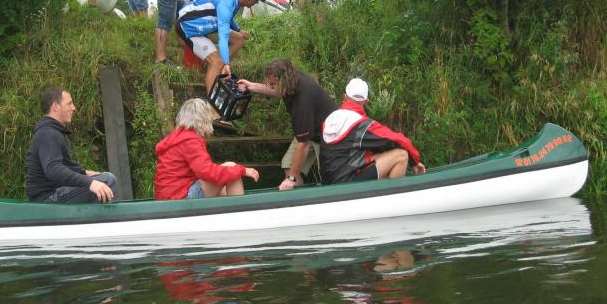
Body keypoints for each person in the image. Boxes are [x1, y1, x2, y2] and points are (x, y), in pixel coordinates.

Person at [237, 58, 336, 191]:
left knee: (328, 177)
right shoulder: (291, 78)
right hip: (310, 130)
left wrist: (291, 179)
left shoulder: (302, 102)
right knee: (289, 166)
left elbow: (303, 144)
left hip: (328, 135)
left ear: (283, 81)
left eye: (273, 84)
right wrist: (251, 86)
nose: (270, 86)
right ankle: (299, 200)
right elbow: (276, 90)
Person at [321, 78, 426, 184]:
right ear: (366, 101)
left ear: (344, 96)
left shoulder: (330, 119)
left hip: (329, 183)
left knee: (381, 154)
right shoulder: (361, 125)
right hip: (347, 185)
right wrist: (415, 162)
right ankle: (391, 194)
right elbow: (398, 140)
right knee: (401, 155)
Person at [25, 87, 118, 203]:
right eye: (69, 104)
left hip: (53, 194)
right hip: (47, 199)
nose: (74, 108)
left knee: (104, 177)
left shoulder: (52, 132)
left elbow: (65, 167)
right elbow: (54, 170)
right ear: (55, 106)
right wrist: (90, 183)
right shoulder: (48, 134)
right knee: (108, 180)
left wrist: (85, 173)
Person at [155, 98, 260, 199]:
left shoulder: (178, 137)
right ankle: (240, 210)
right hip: (180, 197)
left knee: (224, 188)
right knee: (231, 168)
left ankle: (230, 209)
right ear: (204, 119)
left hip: (169, 196)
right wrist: (242, 170)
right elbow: (207, 172)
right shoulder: (190, 141)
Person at [176, 0, 265, 94]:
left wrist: (238, 30)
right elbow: (223, 37)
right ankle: (212, 101)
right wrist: (226, 63)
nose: (257, 2)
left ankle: (217, 69)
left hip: (203, 25)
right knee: (216, 62)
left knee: (239, 38)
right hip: (189, 26)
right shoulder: (226, 3)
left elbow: (228, 18)